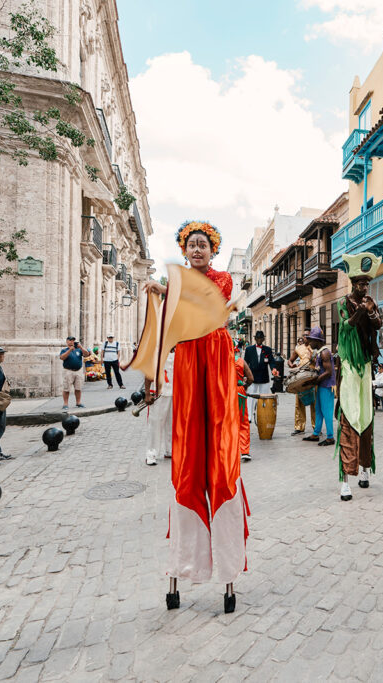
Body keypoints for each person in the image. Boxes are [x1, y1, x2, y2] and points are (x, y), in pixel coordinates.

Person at [139, 220, 247, 613]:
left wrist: (166, 290)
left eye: (203, 245)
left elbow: (203, 304)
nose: (197, 250)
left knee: (219, 437)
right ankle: (184, 563)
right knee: (187, 437)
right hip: (187, 358)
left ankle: (227, 564)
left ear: (212, 250)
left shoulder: (221, 280)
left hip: (214, 357)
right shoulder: (182, 278)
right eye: (192, 245)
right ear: (184, 251)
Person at [334, 252, 383, 501]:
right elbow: (346, 327)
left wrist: (372, 311)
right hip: (349, 366)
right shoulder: (344, 303)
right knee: (349, 417)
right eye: (362, 284)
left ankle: (364, 469)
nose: (365, 288)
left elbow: (378, 325)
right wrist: (362, 311)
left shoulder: (370, 301)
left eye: (367, 284)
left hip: (365, 366)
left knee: (366, 417)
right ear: (354, 284)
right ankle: (345, 480)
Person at [302, 327, 335, 446]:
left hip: (326, 386)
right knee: (318, 410)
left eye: (311, 340)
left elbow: (328, 372)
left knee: (327, 411)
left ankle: (330, 437)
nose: (310, 343)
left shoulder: (325, 353)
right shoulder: (320, 352)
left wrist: (314, 381)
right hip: (322, 385)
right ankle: (316, 433)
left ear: (318, 340)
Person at [144, 354, 175, 466]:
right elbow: (148, 372)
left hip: (173, 392)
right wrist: (147, 393)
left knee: (171, 424)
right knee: (155, 423)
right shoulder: (157, 350)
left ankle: (170, 450)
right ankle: (151, 453)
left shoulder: (179, 350)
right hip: (158, 392)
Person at [288, 331, 315, 436]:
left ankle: (316, 427)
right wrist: (292, 365)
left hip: (312, 377)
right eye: (304, 335)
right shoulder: (298, 348)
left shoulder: (315, 347)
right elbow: (290, 360)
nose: (305, 337)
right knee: (299, 402)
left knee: (314, 403)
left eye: (307, 335)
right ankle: (299, 427)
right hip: (301, 377)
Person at [244, 331, 273, 424]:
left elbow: (271, 361)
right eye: (257, 338)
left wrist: (274, 369)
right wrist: (244, 375)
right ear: (255, 339)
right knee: (250, 397)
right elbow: (245, 363)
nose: (259, 340)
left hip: (264, 377)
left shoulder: (268, 350)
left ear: (263, 339)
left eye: (261, 338)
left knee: (264, 397)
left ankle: (263, 415)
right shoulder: (249, 350)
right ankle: (249, 416)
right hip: (252, 377)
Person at [235, 341, 254, 462]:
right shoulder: (240, 361)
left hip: (225, 392)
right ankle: (245, 451)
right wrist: (244, 386)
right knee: (242, 421)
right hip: (239, 391)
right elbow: (251, 378)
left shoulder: (220, 360)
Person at [59, 336, 86, 411]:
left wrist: (81, 347)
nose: (72, 342)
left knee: (78, 388)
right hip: (68, 371)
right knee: (66, 388)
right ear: (67, 341)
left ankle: (78, 402)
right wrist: (70, 350)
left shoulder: (78, 350)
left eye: (73, 340)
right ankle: (65, 404)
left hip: (78, 371)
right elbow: (62, 357)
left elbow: (87, 354)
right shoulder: (64, 350)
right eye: (70, 340)